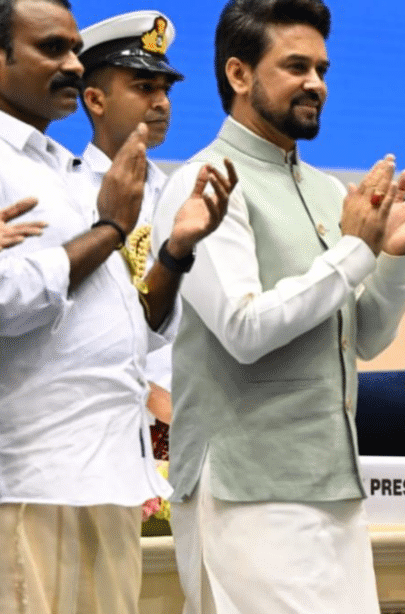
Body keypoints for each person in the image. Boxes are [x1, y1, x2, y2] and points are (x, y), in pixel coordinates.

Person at [150, 1, 405, 612]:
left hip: (332, 483)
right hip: (243, 486)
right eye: (295, 66)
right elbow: (243, 328)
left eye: (321, 67)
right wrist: (353, 249)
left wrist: (393, 257)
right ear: (239, 75)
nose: (315, 82)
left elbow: (362, 339)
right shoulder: (204, 182)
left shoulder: (323, 189)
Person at [0, 0, 233, 612]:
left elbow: (134, 326)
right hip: (34, 474)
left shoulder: (56, 167)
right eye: (53, 49)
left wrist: (176, 253)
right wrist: (109, 227)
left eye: (75, 50)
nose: (73, 67)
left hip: (109, 471)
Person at [78, 8, 186, 445]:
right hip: (101, 425)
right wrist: (143, 393)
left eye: (165, 89)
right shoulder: (66, 197)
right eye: (144, 87)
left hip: (193, 420)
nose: (161, 102)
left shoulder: (181, 196)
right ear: (95, 100)